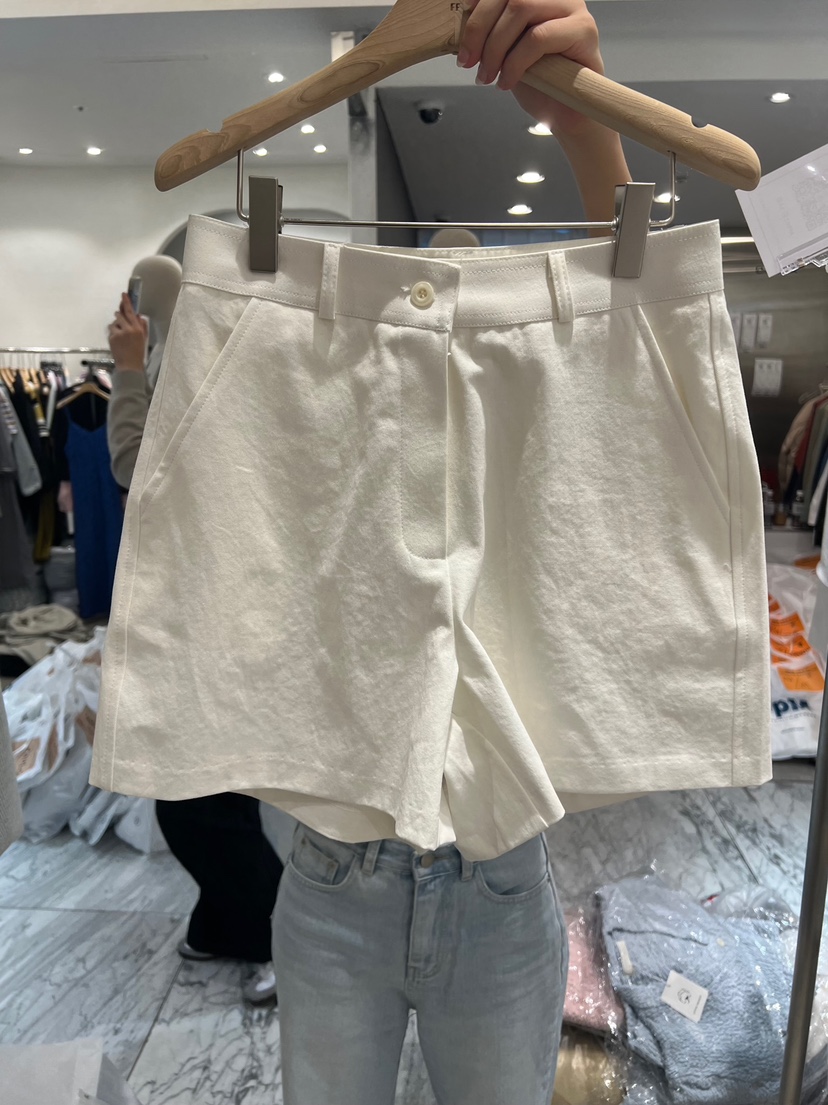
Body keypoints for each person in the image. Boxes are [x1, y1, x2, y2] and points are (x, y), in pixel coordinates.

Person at [269, 1, 633, 1103]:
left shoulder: (532, 413)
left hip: (499, 874)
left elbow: (628, 337)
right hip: (331, 866)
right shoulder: (323, 394)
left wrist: (585, 121)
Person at [107, 268, 283, 1005]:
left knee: (188, 796)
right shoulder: (199, 359)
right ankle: (224, 923)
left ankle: (282, 937)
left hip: (213, 610)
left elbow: (135, 466)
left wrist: (125, 373)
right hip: (210, 604)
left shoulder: (198, 363)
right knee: (217, 788)